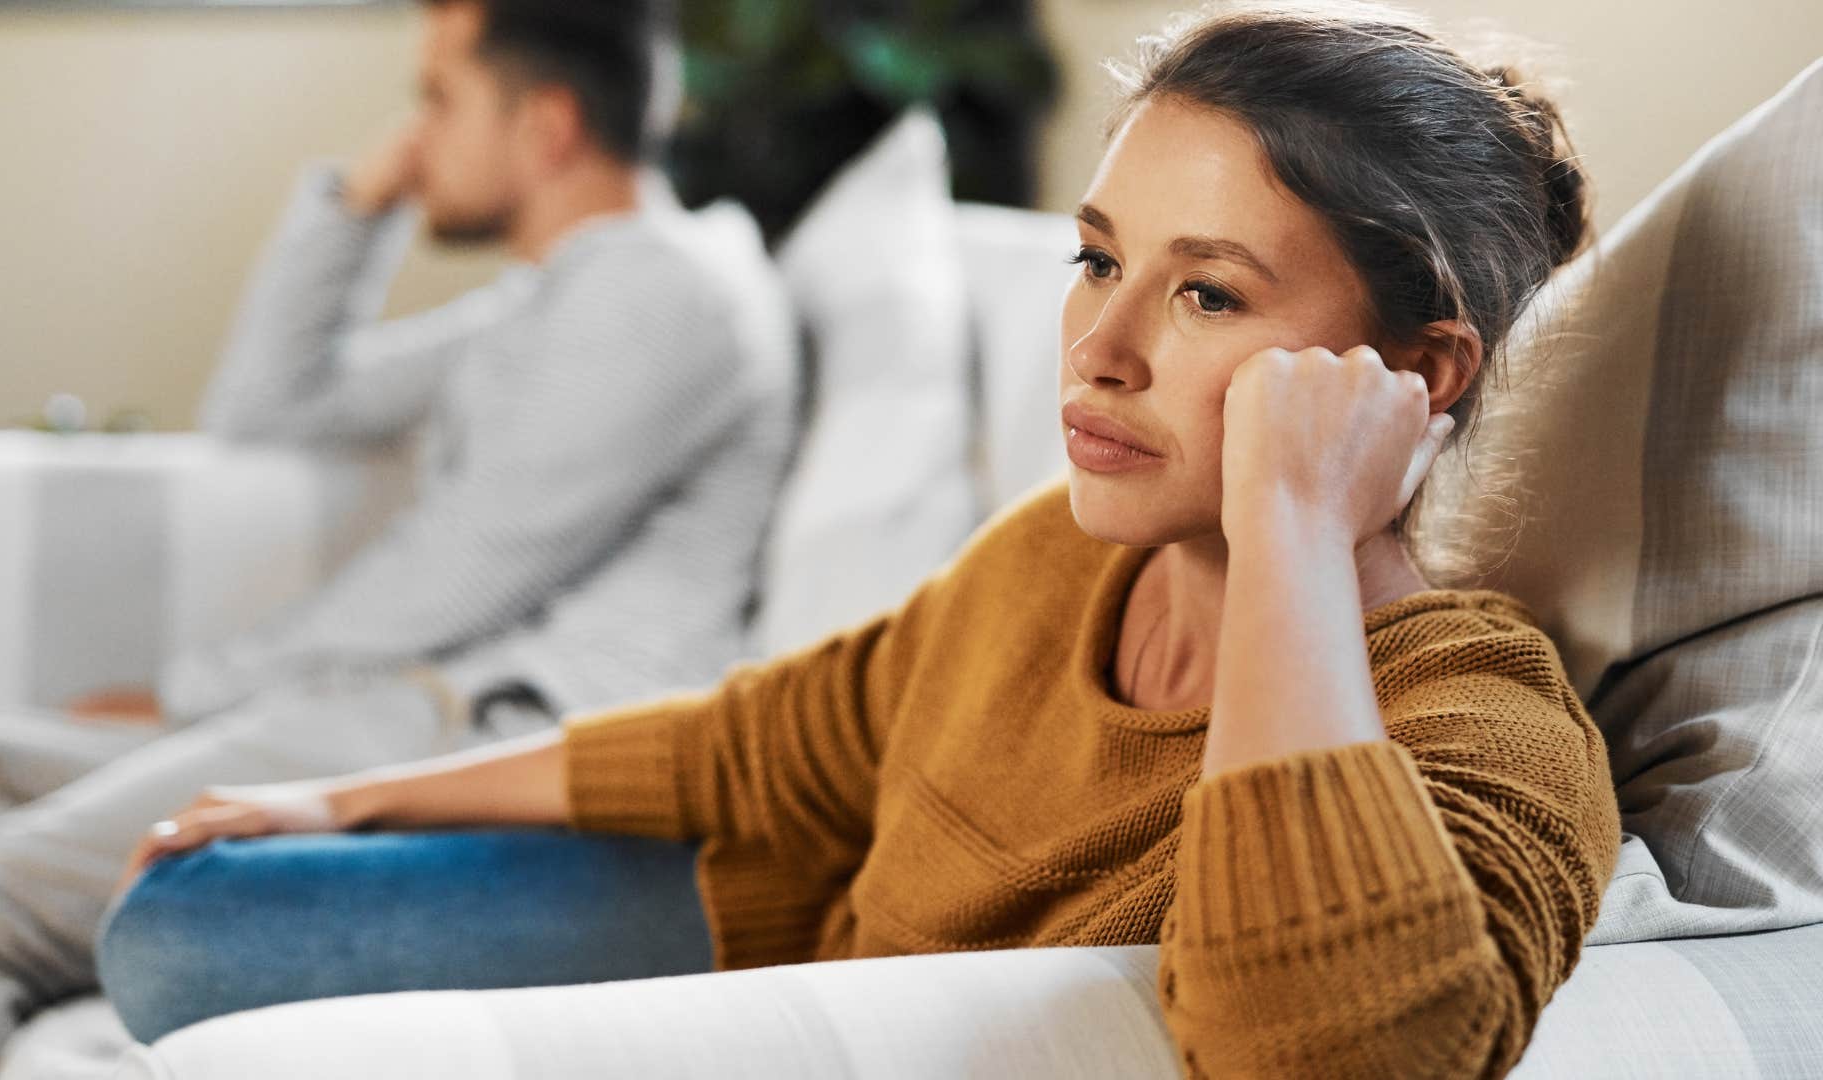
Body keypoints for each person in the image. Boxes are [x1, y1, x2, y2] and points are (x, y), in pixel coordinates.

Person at [98, 3, 1624, 1076]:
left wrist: (1294, 528)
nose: (1098, 352)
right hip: (790, 949)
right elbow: (767, 737)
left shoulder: (1482, 715)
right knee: (181, 922)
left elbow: (1334, 1054)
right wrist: (348, 797)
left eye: (1208, 294)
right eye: (1097, 262)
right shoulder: (1054, 560)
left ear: (1417, 374)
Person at [0, 1, 799, 1077]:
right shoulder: (555, 300)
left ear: (547, 125)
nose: (413, 135)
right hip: (402, 707)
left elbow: (458, 577)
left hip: (488, 726)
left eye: (439, 99)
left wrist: (188, 694)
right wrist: (355, 204)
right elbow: (268, 406)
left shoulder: (665, 293)